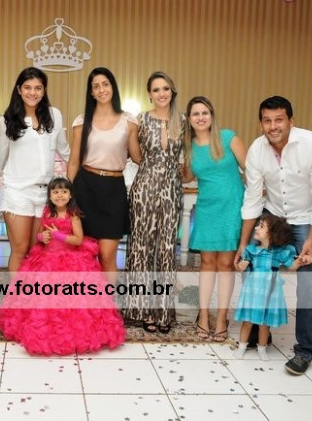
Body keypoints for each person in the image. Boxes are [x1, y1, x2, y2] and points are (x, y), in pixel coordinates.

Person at [236, 95, 312, 375]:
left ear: (291, 120)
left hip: (306, 219)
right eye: (267, 120)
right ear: (260, 124)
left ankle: (305, 350)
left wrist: (310, 241)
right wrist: (243, 244)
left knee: (308, 283)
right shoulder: (257, 150)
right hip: (274, 215)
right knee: (252, 268)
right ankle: (258, 330)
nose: (273, 126)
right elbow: (253, 198)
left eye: (279, 119)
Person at [0, 176, 125, 355]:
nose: (60, 195)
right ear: (49, 195)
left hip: (70, 258)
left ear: (70, 195)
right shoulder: (47, 213)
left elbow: (78, 239)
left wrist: (58, 235)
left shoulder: (73, 215)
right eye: (55, 192)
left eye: (64, 192)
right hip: (47, 258)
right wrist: (43, 237)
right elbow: (40, 234)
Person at [122, 71, 184, 333]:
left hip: (172, 189)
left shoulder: (183, 121)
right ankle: (142, 310)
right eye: (156, 89)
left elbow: (188, 157)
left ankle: (163, 311)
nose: (161, 93)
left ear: (172, 91)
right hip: (144, 188)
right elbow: (136, 157)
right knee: (142, 249)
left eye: (165, 88)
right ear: (149, 94)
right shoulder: (141, 120)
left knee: (167, 250)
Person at [0, 67, 70, 274]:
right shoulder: (8, 119)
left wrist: (79, 173)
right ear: (19, 89)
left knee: (37, 249)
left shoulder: (54, 115)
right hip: (17, 191)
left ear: (44, 90)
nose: (32, 92)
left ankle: (32, 293)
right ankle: (17, 295)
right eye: (27, 87)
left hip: (44, 194)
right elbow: (0, 156)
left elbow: (64, 150)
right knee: (20, 249)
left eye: (38, 88)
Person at [67, 67, 141, 283]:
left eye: (105, 84)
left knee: (108, 256)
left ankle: (107, 302)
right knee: (85, 254)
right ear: (91, 92)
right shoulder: (82, 121)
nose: (101, 90)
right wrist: (69, 199)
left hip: (113, 190)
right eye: (96, 86)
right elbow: (74, 162)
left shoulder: (129, 121)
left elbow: (138, 157)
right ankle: (87, 300)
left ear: (113, 87)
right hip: (85, 188)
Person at [182, 96, 246, 342]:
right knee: (207, 262)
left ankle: (221, 318)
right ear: (189, 119)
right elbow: (187, 177)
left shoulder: (228, 138)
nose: (201, 117)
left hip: (231, 206)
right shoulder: (189, 147)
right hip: (207, 208)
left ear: (211, 115)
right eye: (195, 114)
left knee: (226, 264)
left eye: (205, 113)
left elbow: (251, 168)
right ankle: (203, 316)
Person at [234, 214, 312, 361]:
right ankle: (241, 347)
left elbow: (291, 266)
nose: (256, 228)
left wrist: (301, 261)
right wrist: (241, 265)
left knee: (265, 324)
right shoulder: (251, 250)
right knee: (247, 321)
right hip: (252, 290)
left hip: (270, 291)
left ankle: (262, 348)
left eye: (261, 226)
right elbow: (240, 266)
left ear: (272, 234)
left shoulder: (280, 253)